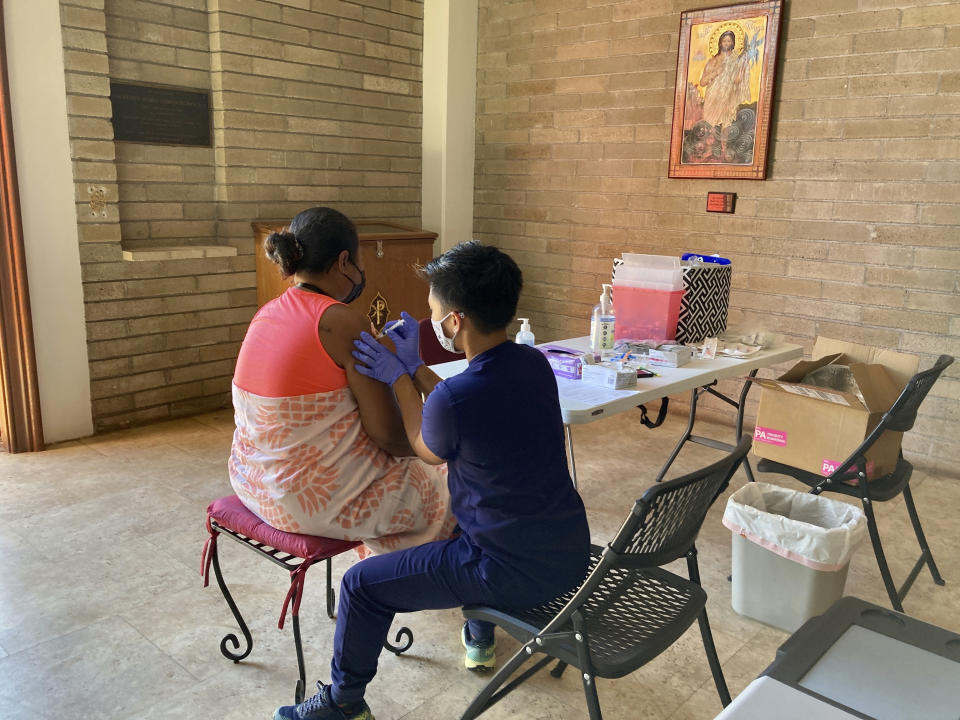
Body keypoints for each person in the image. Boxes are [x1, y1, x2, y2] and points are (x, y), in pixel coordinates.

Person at [273, 241, 591, 720]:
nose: (431, 321)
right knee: (456, 515)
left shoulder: (459, 397)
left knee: (360, 585)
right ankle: (479, 631)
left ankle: (342, 704)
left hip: (505, 569)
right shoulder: (532, 363)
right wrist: (416, 369)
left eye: (434, 312)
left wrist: (399, 376)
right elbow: (458, 404)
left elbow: (425, 447)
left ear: (457, 320)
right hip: (568, 551)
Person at [228, 206, 455, 556]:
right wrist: (441, 448)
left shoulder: (267, 312)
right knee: (454, 477)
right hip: (301, 504)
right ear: (344, 261)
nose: (362, 273)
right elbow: (391, 438)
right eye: (360, 263)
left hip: (253, 482)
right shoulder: (341, 321)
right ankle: (446, 579)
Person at [697, 28, 752, 161]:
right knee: (712, 123)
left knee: (726, 124)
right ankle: (712, 149)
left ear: (733, 43)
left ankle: (724, 149)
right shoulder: (713, 61)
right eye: (724, 40)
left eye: (729, 41)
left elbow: (738, 80)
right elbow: (703, 82)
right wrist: (715, 72)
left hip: (727, 96)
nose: (727, 43)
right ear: (720, 43)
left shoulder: (736, 61)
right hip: (713, 96)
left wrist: (744, 64)